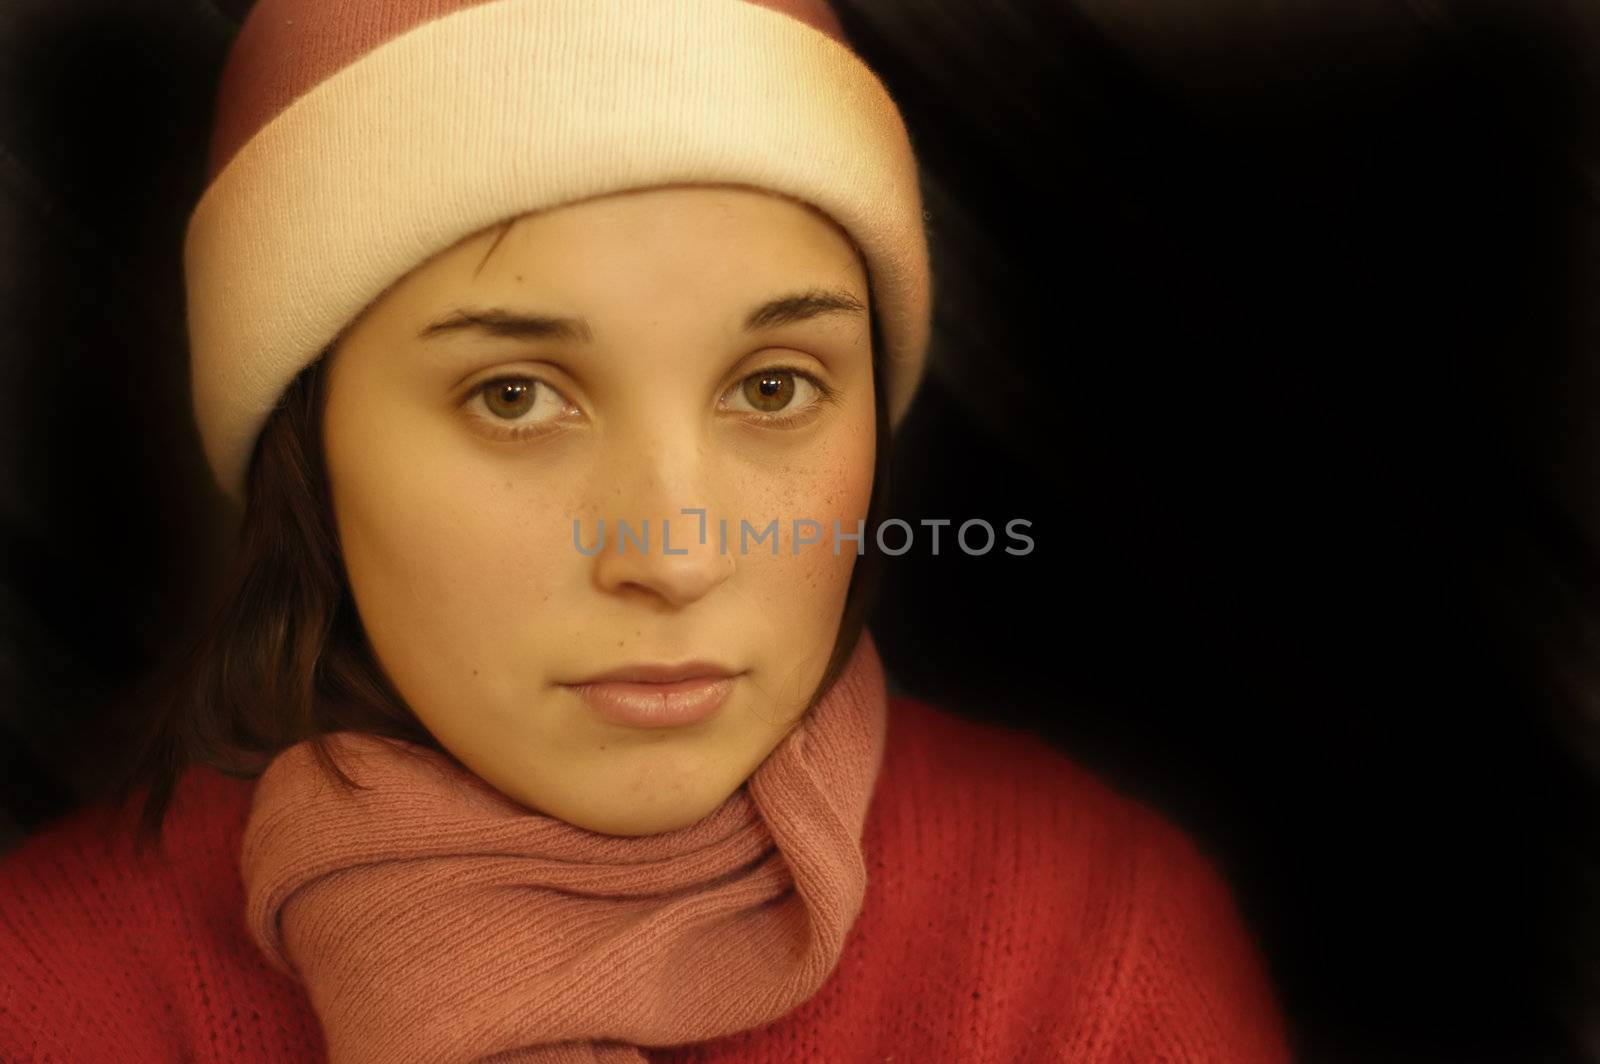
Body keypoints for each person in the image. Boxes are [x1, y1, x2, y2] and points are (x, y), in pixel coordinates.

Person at [0, 0, 1296, 1060]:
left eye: (774, 387)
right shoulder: (48, 995)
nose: (674, 558)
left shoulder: (1094, 944)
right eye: (515, 397)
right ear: (308, 441)